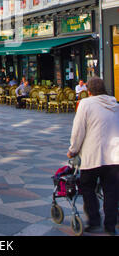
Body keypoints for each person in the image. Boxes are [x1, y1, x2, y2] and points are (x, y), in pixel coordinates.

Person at [67, 77, 119, 236]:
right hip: (114, 156)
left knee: (86, 186)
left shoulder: (85, 104)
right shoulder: (115, 104)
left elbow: (78, 131)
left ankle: (94, 220)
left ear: (88, 91)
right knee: (111, 191)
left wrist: (73, 150)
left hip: (93, 155)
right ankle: (110, 226)